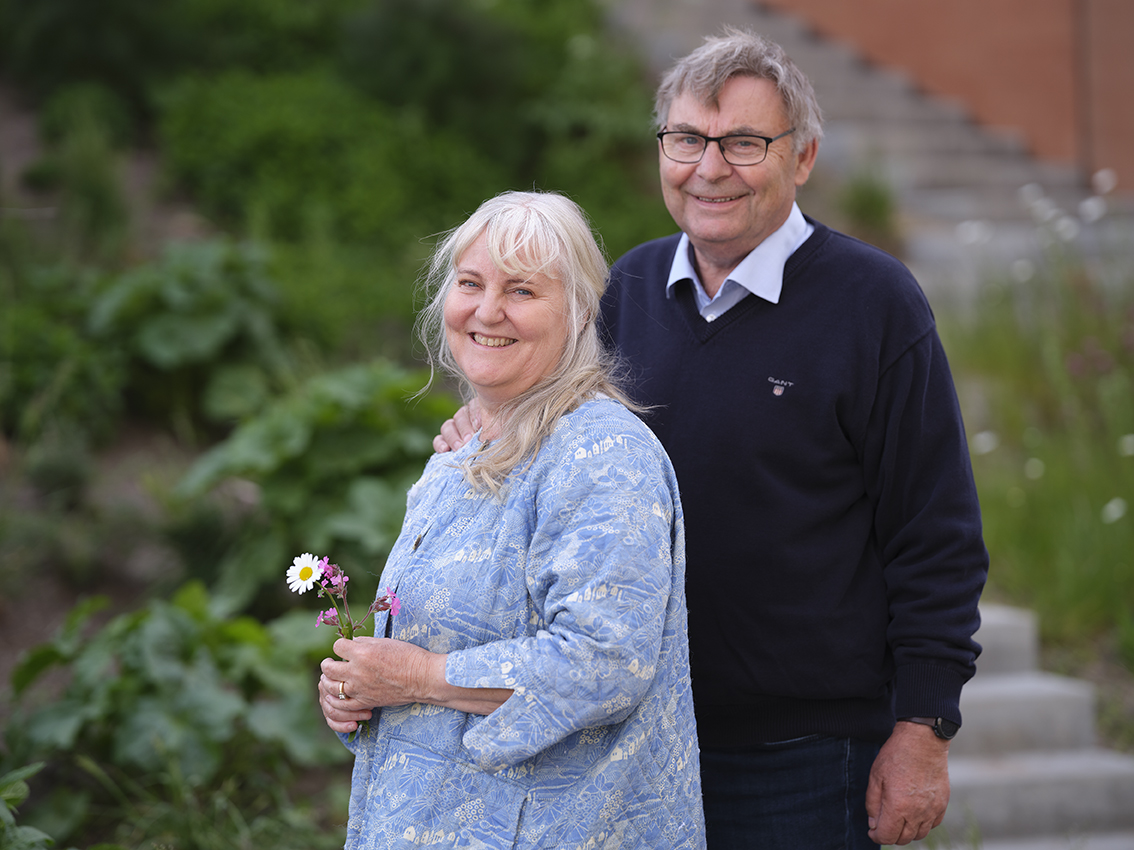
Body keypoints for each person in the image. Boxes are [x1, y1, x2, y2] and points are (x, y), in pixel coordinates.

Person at [435, 28, 988, 850]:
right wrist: (489, 424)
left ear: (801, 158)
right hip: (632, 740)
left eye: (744, 143)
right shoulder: (626, 290)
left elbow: (933, 530)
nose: (709, 167)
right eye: (688, 139)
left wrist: (924, 727)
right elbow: (558, 427)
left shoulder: (875, 305)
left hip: (802, 755)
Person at [316, 190, 706, 850]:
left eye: (522, 291)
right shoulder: (459, 456)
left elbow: (604, 661)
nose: (487, 311)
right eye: (470, 283)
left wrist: (417, 677)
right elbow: (429, 652)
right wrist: (360, 695)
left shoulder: (603, 454)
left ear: (578, 312)